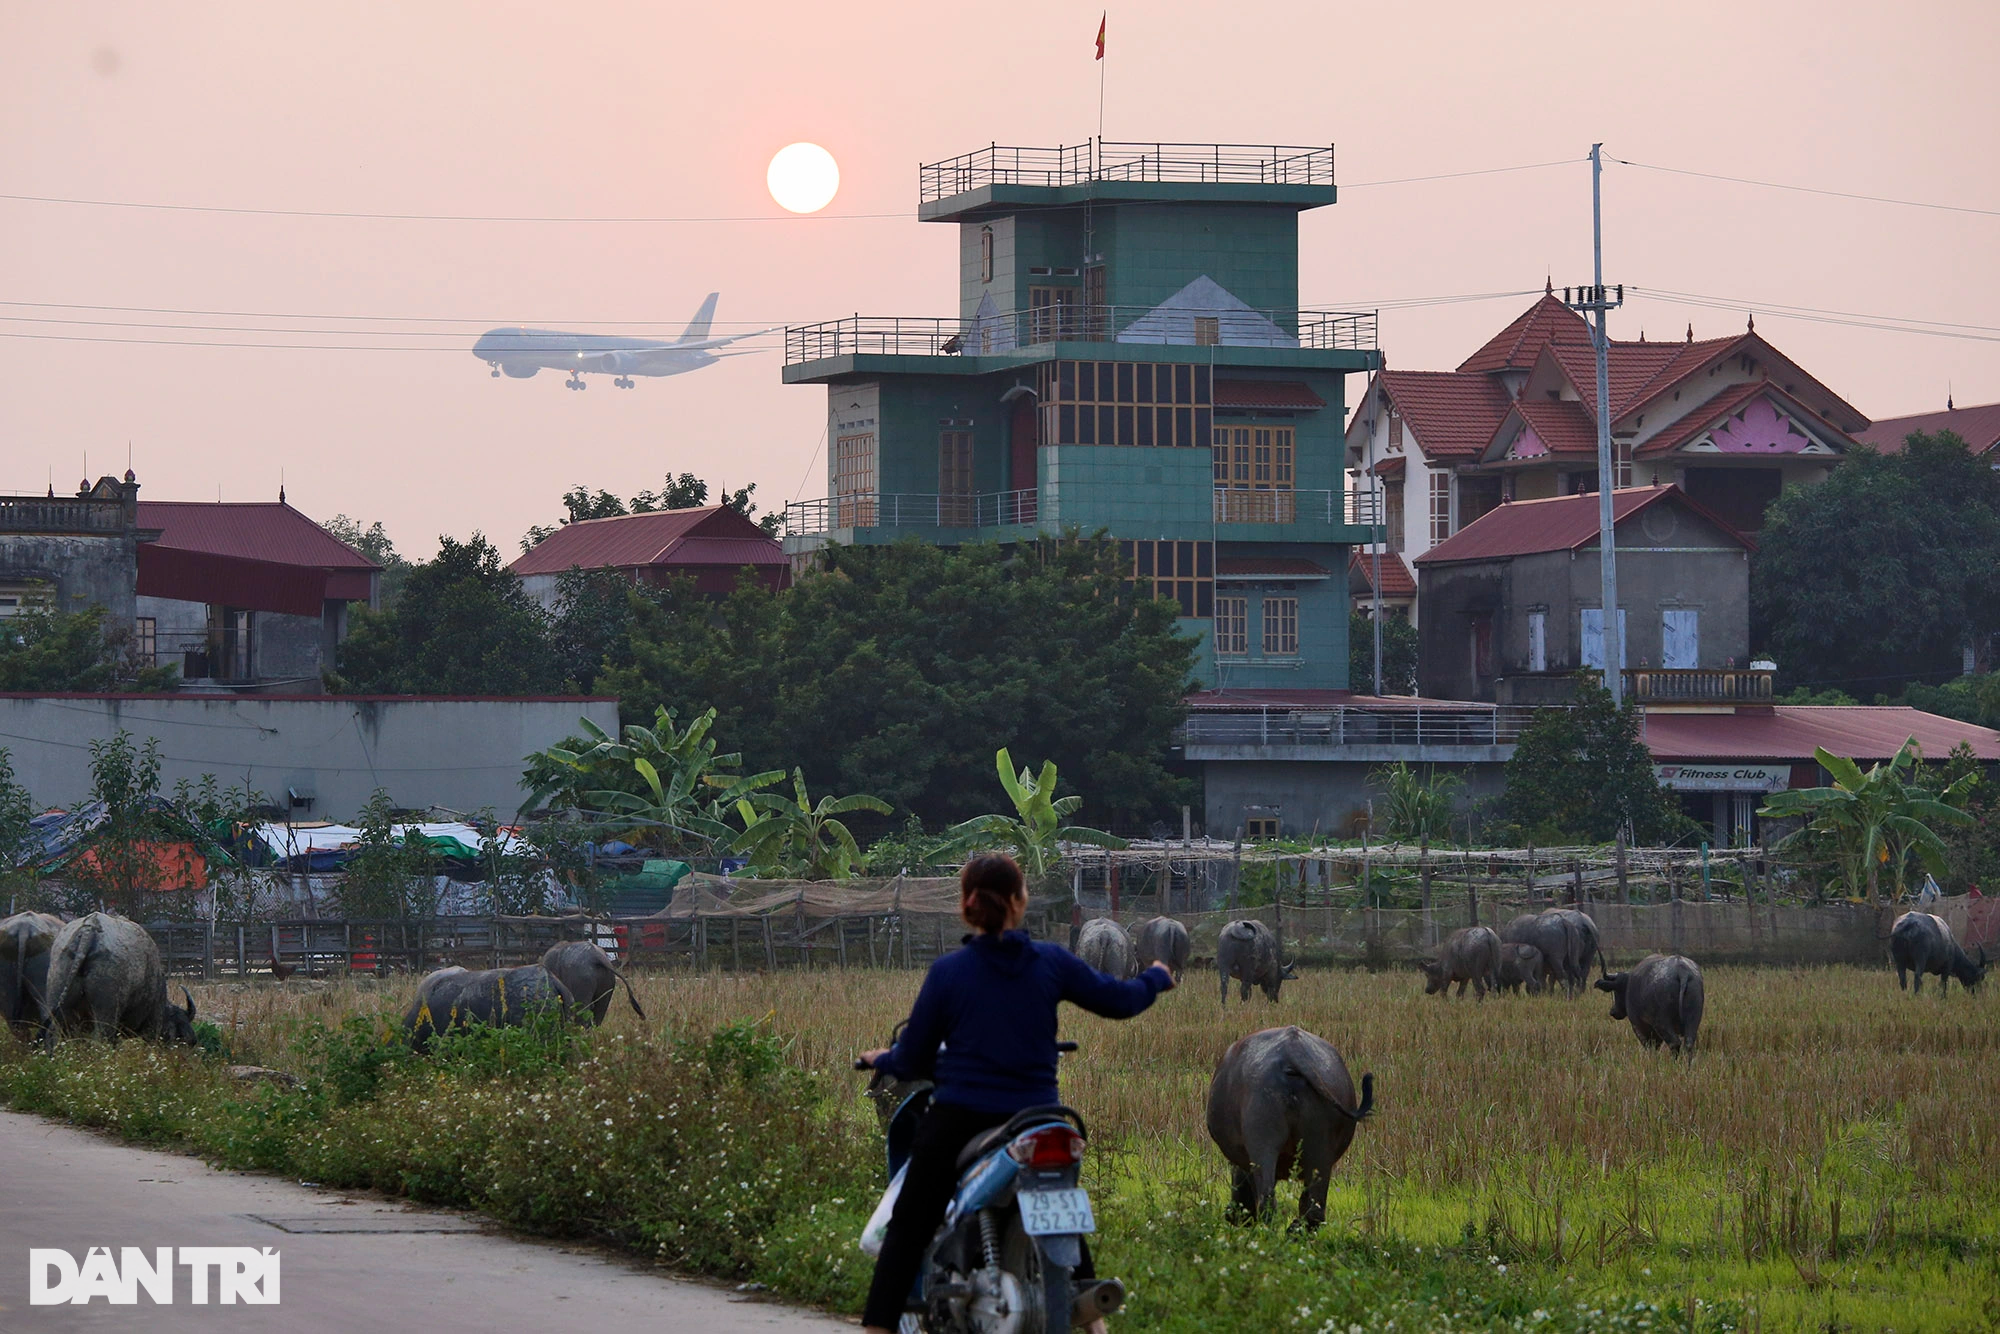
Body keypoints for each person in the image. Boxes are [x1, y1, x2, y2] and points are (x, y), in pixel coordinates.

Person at [857, 852, 1173, 1333]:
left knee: (908, 1225)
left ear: (966, 906)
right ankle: (1093, 1321)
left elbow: (914, 1060)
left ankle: (878, 1326)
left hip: (962, 1116)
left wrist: (884, 1059)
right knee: (1058, 1194)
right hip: (1040, 1117)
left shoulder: (949, 972)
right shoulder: (1050, 962)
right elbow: (1119, 1000)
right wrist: (1155, 976)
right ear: (1019, 901)